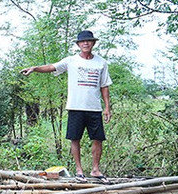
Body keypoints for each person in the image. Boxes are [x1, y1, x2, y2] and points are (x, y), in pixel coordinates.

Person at [20, 30, 112, 181]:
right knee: (74, 138)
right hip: (75, 106)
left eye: (89, 41)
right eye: (83, 41)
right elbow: (51, 67)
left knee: (98, 138)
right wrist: (35, 68)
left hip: (94, 107)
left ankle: (95, 169)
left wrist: (107, 107)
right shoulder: (71, 60)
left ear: (93, 43)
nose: (86, 43)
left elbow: (104, 86)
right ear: (78, 44)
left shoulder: (101, 62)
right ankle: (79, 170)